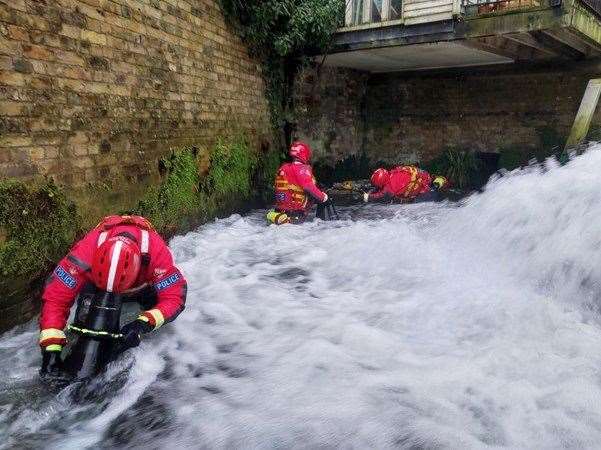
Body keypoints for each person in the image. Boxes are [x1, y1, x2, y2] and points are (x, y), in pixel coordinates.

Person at [39, 214, 187, 376]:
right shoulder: (84, 252)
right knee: (82, 323)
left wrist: (144, 322)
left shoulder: (156, 254)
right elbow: (56, 298)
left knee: (152, 316)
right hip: (95, 286)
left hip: (141, 287)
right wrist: (50, 350)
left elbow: (174, 297)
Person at [267, 141, 329, 224]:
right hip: (295, 213)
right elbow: (308, 187)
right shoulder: (302, 169)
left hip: (279, 211)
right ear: (304, 154)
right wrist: (323, 197)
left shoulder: (283, 168)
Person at [363, 166, 448, 203]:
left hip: (424, 191)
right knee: (433, 185)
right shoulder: (393, 173)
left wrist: (368, 197)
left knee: (431, 190)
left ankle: (437, 185)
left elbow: (382, 196)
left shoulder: (390, 187)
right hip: (424, 176)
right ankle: (438, 183)